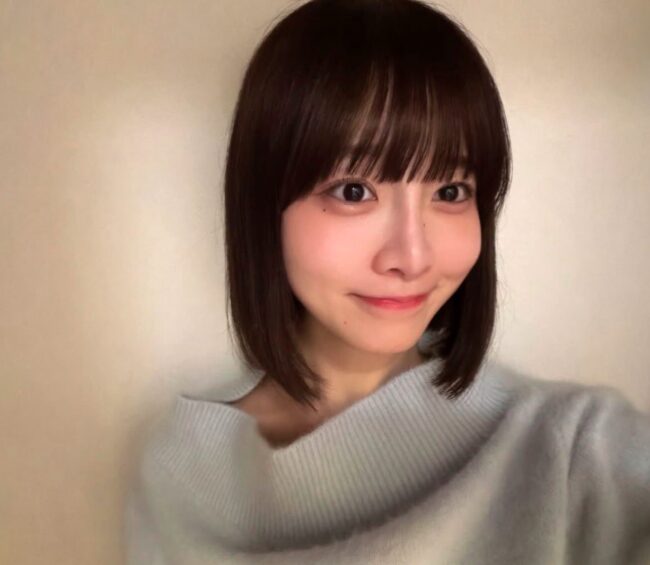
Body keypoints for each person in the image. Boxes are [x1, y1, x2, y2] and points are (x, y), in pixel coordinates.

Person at [123, 0, 650, 563]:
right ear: (263, 205)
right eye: (354, 191)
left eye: (450, 192)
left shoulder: (574, 450)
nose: (412, 258)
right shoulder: (180, 465)